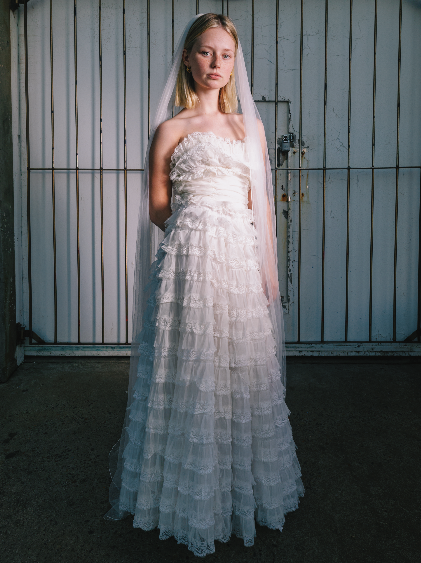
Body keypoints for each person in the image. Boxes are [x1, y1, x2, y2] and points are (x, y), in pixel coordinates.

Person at [105, 13, 304, 557]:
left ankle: (243, 493)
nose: (216, 64)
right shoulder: (170, 129)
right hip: (188, 264)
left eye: (226, 54)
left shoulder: (248, 128)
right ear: (188, 57)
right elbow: (157, 207)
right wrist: (195, 237)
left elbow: (260, 207)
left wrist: (265, 271)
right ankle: (182, 499)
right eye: (205, 52)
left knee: (239, 364)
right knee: (187, 365)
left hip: (239, 260)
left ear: (235, 62)